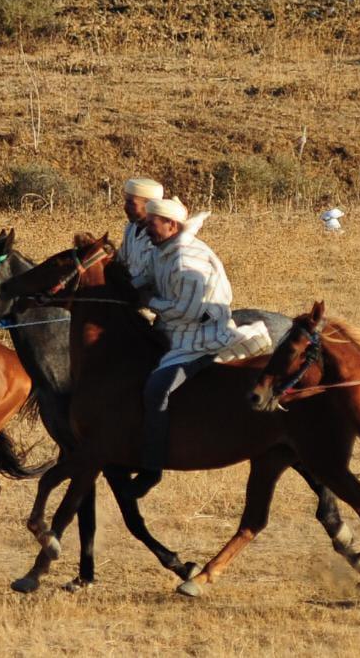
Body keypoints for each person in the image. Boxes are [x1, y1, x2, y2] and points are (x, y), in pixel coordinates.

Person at [128, 196, 272, 498]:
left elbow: (189, 310)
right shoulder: (162, 250)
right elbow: (147, 277)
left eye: (152, 224)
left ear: (171, 225)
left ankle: (152, 468)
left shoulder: (187, 260)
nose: (147, 230)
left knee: (157, 388)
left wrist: (148, 301)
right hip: (175, 331)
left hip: (200, 337)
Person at [116, 177, 163, 281]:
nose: (125, 207)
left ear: (149, 206)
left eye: (131, 203)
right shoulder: (131, 227)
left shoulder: (159, 235)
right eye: (126, 202)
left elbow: (149, 278)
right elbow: (121, 261)